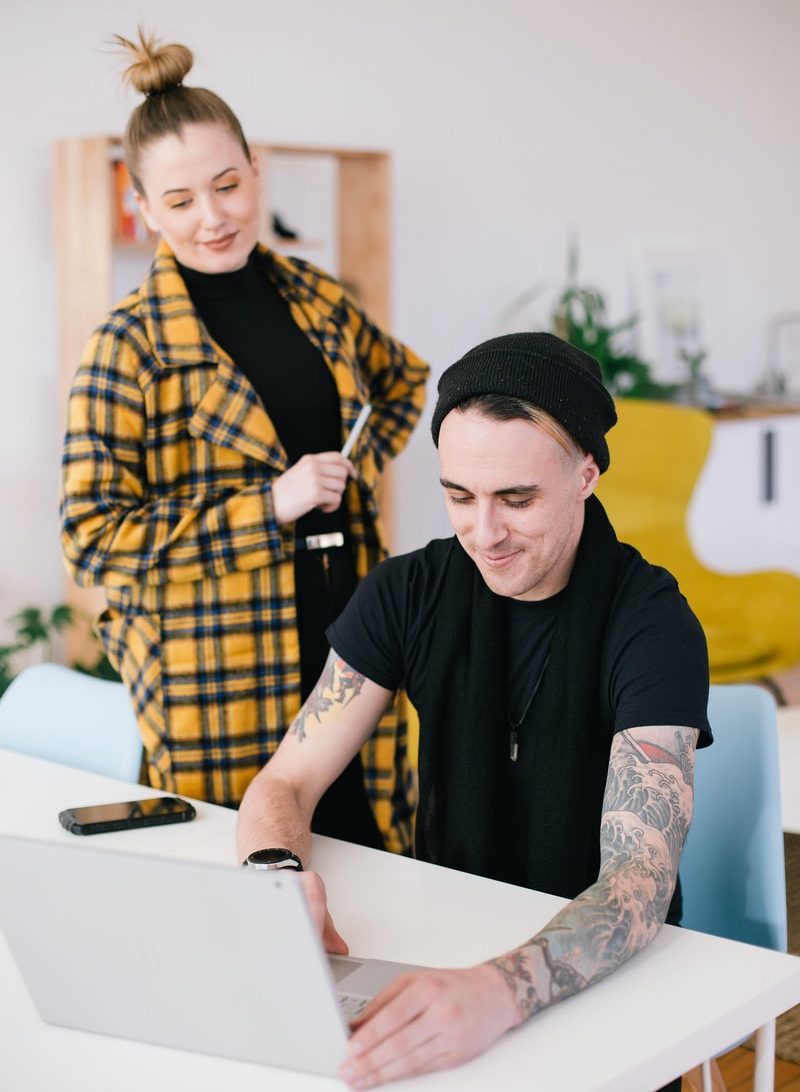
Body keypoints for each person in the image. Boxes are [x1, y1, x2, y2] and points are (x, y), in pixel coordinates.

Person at [237, 331, 711, 1091]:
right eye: (459, 495)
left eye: (516, 499)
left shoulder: (652, 624)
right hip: (445, 941)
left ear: (586, 474)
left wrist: (498, 992)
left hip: (610, 986)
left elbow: (636, 885)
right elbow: (286, 782)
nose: (483, 533)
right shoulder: (407, 592)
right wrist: (275, 876)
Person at [59, 29, 429, 855]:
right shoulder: (127, 346)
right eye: (181, 200)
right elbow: (90, 543)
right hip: (215, 671)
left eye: (228, 185)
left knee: (376, 861)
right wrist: (270, 506)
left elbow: (401, 382)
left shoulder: (315, 296)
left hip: (350, 633)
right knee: (244, 886)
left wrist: (347, 477)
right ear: (143, 207)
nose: (214, 216)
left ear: (257, 170)